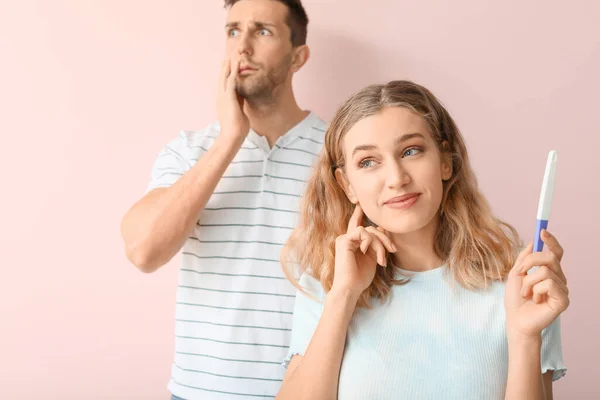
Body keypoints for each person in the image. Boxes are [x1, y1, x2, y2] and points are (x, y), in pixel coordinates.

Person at [276, 80, 568, 400]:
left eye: (411, 151)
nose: (397, 179)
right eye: (368, 162)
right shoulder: (327, 283)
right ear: (346, 184)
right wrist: (343, 296)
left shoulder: (519, 281)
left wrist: (526, 337)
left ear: (445, 160)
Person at [120, 1, 326, 398]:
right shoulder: (190, 150)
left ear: (299, 56)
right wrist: (230, 137)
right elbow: (144, 250)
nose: (242, 47)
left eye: (262, 31)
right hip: (198, 391)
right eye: (233, 31)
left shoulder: (344, 151)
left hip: (307, 390)